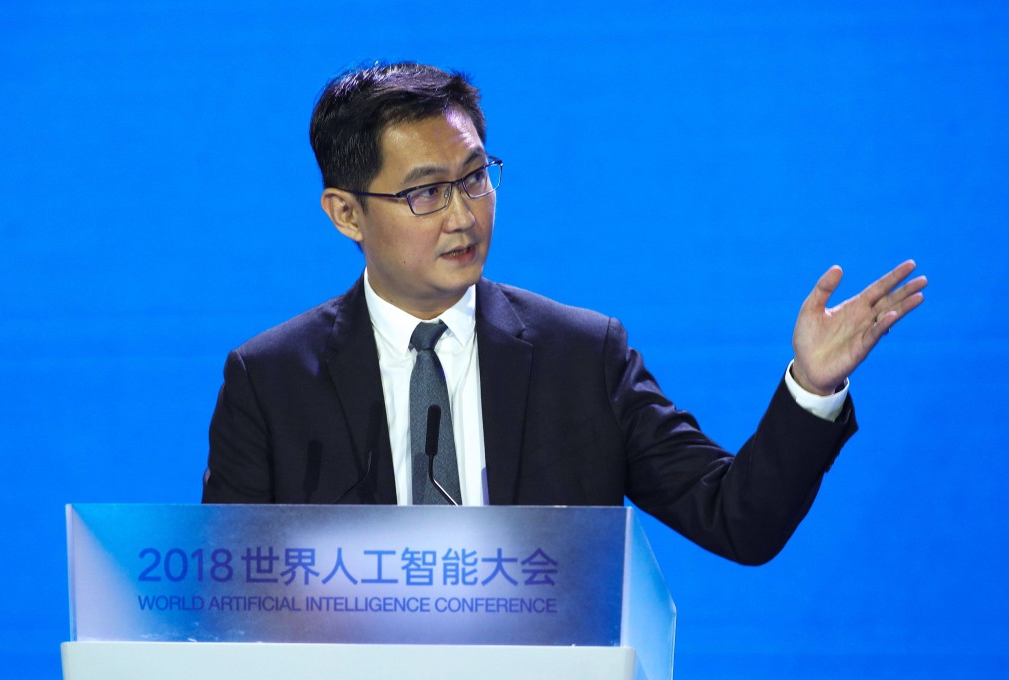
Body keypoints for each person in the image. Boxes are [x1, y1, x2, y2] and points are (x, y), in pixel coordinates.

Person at [202, 62, 926, 565]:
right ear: (346, 213)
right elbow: (228, 594)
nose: (463, 214)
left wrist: (812, 386)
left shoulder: (580, 356)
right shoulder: (270, 381)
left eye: (476, 177)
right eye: (427, 192)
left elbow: (738, 520)